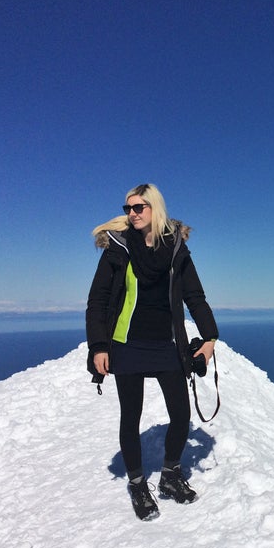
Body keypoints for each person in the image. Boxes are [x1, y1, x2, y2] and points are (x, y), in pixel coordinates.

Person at [86, 183, 218, 521]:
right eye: (128, 208)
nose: (132, 213)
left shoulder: (175, 250)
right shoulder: (118, 248)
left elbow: (195, 297)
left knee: (181, 414)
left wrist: (210, 336)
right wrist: (99, 346)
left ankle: (171, 476)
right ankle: (138, 483)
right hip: (126, 344)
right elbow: (97, 300)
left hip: (165, 343)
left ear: (154, 209)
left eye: (139, 207)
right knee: (130, 417)